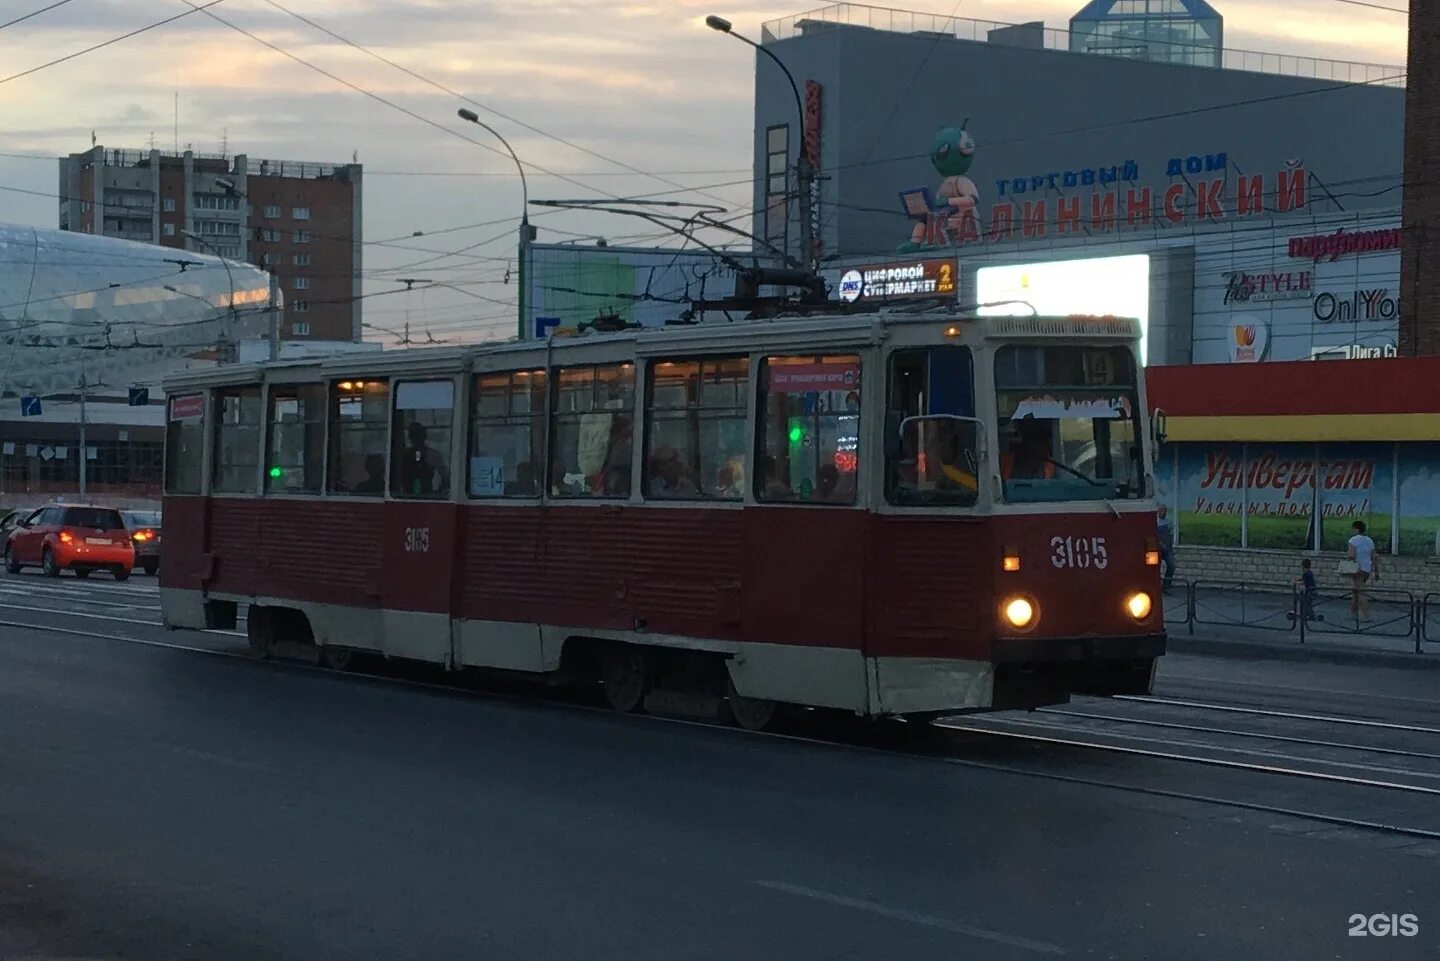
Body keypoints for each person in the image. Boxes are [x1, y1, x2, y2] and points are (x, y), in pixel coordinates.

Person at [398, 421, 449, 497]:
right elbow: (445, 477)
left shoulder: (405, 455)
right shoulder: (433, 454)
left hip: (412, 495)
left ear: (410, 438)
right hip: (421, 495)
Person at [1347, 520, 1378, 621]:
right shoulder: (1369, 540)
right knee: (1357, 590)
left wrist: (1347, 561)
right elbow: (1374, 557)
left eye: (1353, 528)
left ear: (1356, 529)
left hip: (1357, 569)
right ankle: (1352, 613)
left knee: (1360, 592)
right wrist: (1377, 571)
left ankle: (1366, 615)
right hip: (1366, 569)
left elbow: (1351, 555)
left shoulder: (1353, 540)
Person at [1294, 558, 1321, 623]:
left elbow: (1304, 582)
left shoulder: (1306, 573)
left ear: (1303, 566)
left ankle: (1310, 615)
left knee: (1307, 603)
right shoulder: (1309, 573)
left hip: (1310, 591)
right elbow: (1303, 579)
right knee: (1307, 603)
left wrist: (1296, 582)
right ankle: (1306, 614)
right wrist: (1298, 580)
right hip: (1313, 591)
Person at [1156, 504, 1175, 592]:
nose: (1163, 513)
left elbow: (1170, 535)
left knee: (1172, 565)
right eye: (1161, 511)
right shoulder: (1154, 521)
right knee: (1156, 567)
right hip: (1157, 548)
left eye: (1165, 511)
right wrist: (1160, 543)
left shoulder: (1169, 522)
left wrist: (1169, 546)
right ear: (1158, 511)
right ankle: (1156, 585)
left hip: (1167, 548)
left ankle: (1166, 586)